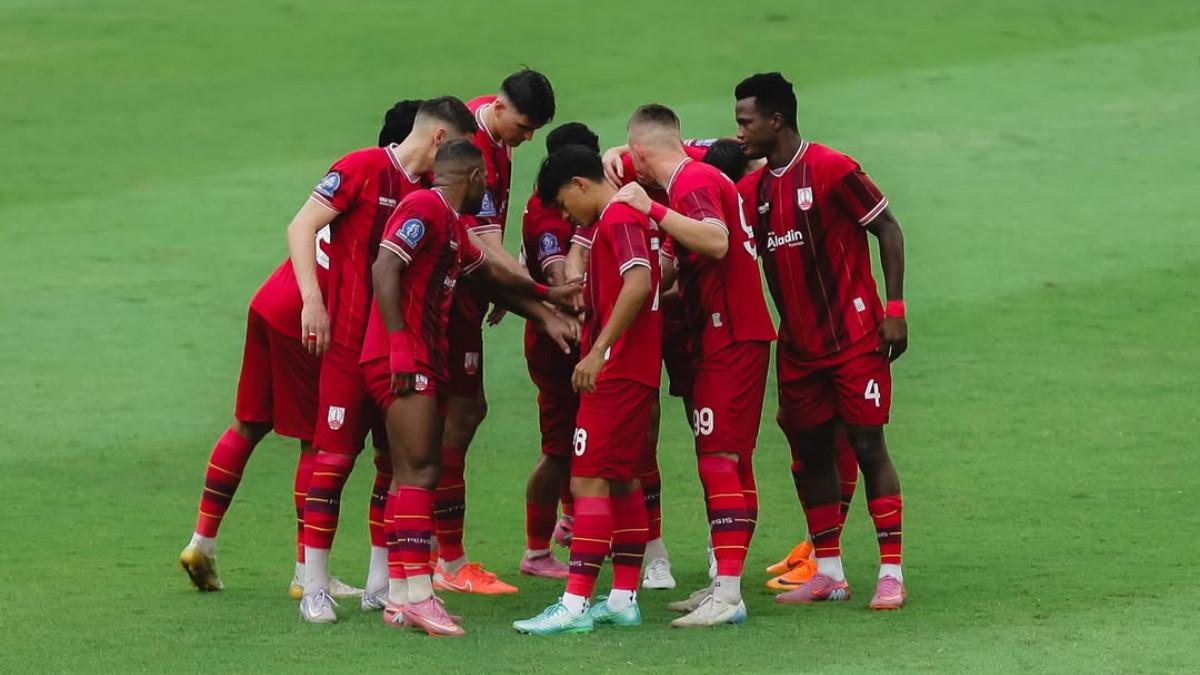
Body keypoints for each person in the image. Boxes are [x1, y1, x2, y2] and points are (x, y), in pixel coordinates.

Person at [177, 99, 427, 598]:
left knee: (247, 424)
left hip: (272, 297)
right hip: (311, 316)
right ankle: (304, 573)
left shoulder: (367, 182)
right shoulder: (394, 191)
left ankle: (201, 541)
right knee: (319, 440)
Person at [364, 139, 579, 636]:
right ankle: (420, 595)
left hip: (415, 356)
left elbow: (488, 282)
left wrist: (547, 301)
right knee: (421, 472)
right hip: (404, 356)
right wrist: (398, 343)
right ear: (477, 178)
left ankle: (400, 597)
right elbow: (385, 266)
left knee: (407, 475)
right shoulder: (424, 206)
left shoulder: (451, 226)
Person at [294, 97, 479, 624]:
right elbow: (302, 225)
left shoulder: (430, 198)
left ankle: (383, 585)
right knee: (332, 463)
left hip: (394, 351)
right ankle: (314, 587)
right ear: (443, 140)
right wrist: (313, 299)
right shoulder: (363, 167)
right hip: (349, 345)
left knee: (392, 466)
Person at [734, 72, 908, 610]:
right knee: (811, 455)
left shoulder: (834, 169)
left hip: (855, 339)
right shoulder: (753, 191)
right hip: (799, 350)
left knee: (866, 445)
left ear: (776, 120)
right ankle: (829, 572)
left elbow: (889, 229)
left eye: (747, 122)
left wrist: (895, 309)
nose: (740, 132)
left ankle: (891, 573)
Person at [612, 104, 776, 627]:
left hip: (732, 335)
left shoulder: (691, 181)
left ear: (639, 153)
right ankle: (721, 587)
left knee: (719, 458)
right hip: (731, 332)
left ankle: (728, 596)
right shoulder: (698, 176)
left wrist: (651, 210)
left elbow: (717, 240)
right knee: (730, 457)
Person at [513, 144, 661, 636]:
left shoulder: (617, 218)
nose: (563, 214)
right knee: (622, 479)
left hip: (617, 371)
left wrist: (598, 350)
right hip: (634, 368)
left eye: (562, 202)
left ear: (580, 183)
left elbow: (639, 281)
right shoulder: (619, 219)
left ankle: (575, 604)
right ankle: (622, 599)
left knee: (589, 480)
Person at [430, 69, 558, 596]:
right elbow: (479, 240)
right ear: (501, 109)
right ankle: (446, 559)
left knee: (461, 413)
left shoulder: (491, 123)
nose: (527, 139)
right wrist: (532, 294)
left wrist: (502, 287)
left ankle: (427, 554)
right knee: (454, 417)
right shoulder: (473, 144)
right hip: (448, 294)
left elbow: (486, 237)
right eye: (524, 127)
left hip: (466, 288)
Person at [516, 122, 600, 579]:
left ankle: (570, 522)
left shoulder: (555, 203)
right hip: (557, 343)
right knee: (559, 451)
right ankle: (536, 552)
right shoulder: (547, 212)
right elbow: (552, 271)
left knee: (580, 441)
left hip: (569, 339)